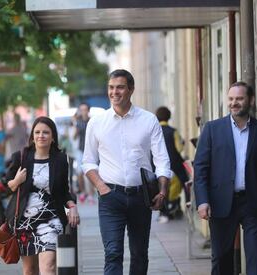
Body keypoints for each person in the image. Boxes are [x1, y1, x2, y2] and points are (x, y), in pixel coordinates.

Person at [82, 69, 171, 275]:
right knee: (112, 253)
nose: (115, 92)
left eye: (120, 87)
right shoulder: (97, 122)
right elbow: (88, 161)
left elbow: (162, 161)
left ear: (131, 90)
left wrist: (163, 191)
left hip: (142, 196)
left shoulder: (148, 120)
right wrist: (101, 187)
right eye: (111, 88)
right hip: (110, 197)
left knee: (140, 253)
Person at [193, 82, 257, 275]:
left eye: (239, 99)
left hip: (254, 203)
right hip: (221, 202)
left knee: (256, 256)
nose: (234, 103)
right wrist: (202, 201)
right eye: (231, 99)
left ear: (250, 100)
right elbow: (200, 168)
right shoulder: (212, 129)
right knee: (221, 258)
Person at [5, 116, 80, 275]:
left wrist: (72, 206)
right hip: (25, 222)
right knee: (30, 270)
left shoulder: (60, 160)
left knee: (48, 267)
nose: (41, 136)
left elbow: (64, 191)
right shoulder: (22, 157)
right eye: (37, 132)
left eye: (46, 132)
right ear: (32, 136)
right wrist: (17, 181)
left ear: (53, 137)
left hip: (51, 220)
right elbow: (7, 186)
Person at [155, 106, 190, 223]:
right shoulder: (173, 131)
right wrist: (182, 142)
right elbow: (179, 148)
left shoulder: (154, 131)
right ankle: (186, 208)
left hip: (159, 165)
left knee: (161, 188)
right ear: (169, 117)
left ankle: (163, 212)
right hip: (175, 164)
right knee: (185, 184)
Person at [73, 103, 95, 203]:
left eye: (85, 109)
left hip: (90, 149)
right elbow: (74, 136)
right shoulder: (78, 122)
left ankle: (90, 194)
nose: (83, 111)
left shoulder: (92, 121)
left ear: (88, 110)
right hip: (80, 149)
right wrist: (74, 125)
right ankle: (83, 192)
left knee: (90, 172)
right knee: (79, 172)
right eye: (81, 110)